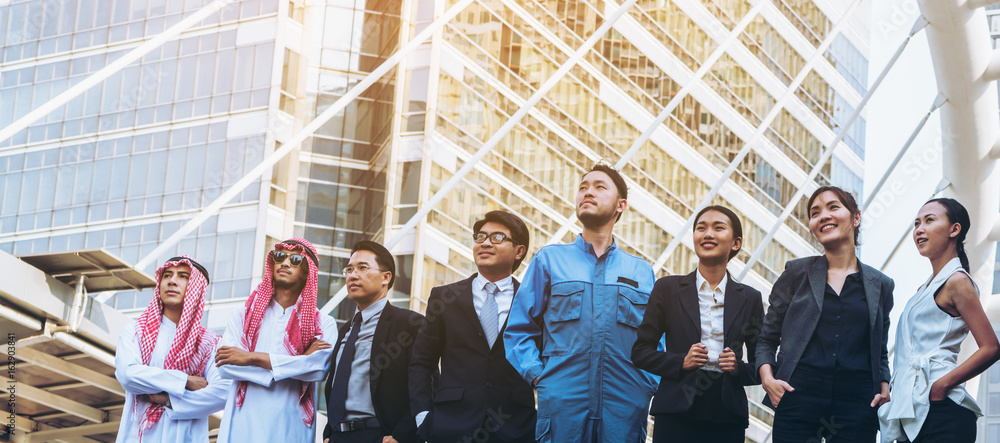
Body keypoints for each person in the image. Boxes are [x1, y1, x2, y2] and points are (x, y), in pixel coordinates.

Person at [504, 163, 658, 442]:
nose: (588, 192)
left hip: (625, 405)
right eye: (583, 187)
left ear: (621, 205)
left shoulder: (641, 271)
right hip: (563, 404)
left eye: (600, 187)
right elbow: (518, 330)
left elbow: (655, 341)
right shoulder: (549, 260)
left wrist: (646, 384)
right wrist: (540, 377)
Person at [756, 186, 894, 443]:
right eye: (815, 212)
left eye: (833, 207)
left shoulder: (881, 285)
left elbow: (880, 349)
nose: (823, 216)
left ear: (856, 217)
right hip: (797, 395)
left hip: (857, 402)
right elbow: (766, 338)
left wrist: (884, 385)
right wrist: (768, 379)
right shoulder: (796, 273)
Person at [632, 205, 763, 442]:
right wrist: (681, 360)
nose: (707, 234)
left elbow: (761, 363)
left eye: (718, 228)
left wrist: (737, 368)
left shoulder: (751, 298)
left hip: (727, 413)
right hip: (675, 409)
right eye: (700, 228)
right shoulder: (667, 289)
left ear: (736, 243)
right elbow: (640, 352)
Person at [879, 198, 1000, 442]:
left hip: (942, 409)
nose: (919, 229)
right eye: (916, 223)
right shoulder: (922, 290)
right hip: (916, 410)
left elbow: (991, 347)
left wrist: (941, 386)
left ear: (954, 230)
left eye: (929, 220)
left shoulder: (957, 281)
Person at [410, 210, 536, 443]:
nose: (485, 243)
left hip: (516, 428)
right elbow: (421, 362)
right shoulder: (444, 297)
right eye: (480, 237)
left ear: (519, 251)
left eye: (497, 237)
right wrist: (424, 416)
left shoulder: (533, 301)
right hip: (451, 427)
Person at [215, 238, 338, 443]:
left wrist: (251, 357)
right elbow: (225, 366)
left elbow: (319, 369)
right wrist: (298, 363)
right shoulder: (244, 315)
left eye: (296, 259)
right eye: (280, 256)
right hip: (243, 423)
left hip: (290, 425)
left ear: (308, 271)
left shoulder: (323, 324)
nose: (286, 263)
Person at [115, 255, 229, 442]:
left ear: (196, 288)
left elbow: (223, 392)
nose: (172, 281)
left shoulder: (210, 343)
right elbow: (128, 376)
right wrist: (185, 381)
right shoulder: (135, 331)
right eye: (167, 275)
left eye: (183, 276)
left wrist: (169, 400)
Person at [323, 240, 424, 443]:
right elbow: (336, 386)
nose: (353, 275)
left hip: (380, 435)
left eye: (362, 268)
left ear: (386, 277)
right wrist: (328, 435)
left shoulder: (409, 324)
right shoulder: (345, 330)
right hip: (339, 437)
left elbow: (427, 389)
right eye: (349, 269)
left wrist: (401, 436)